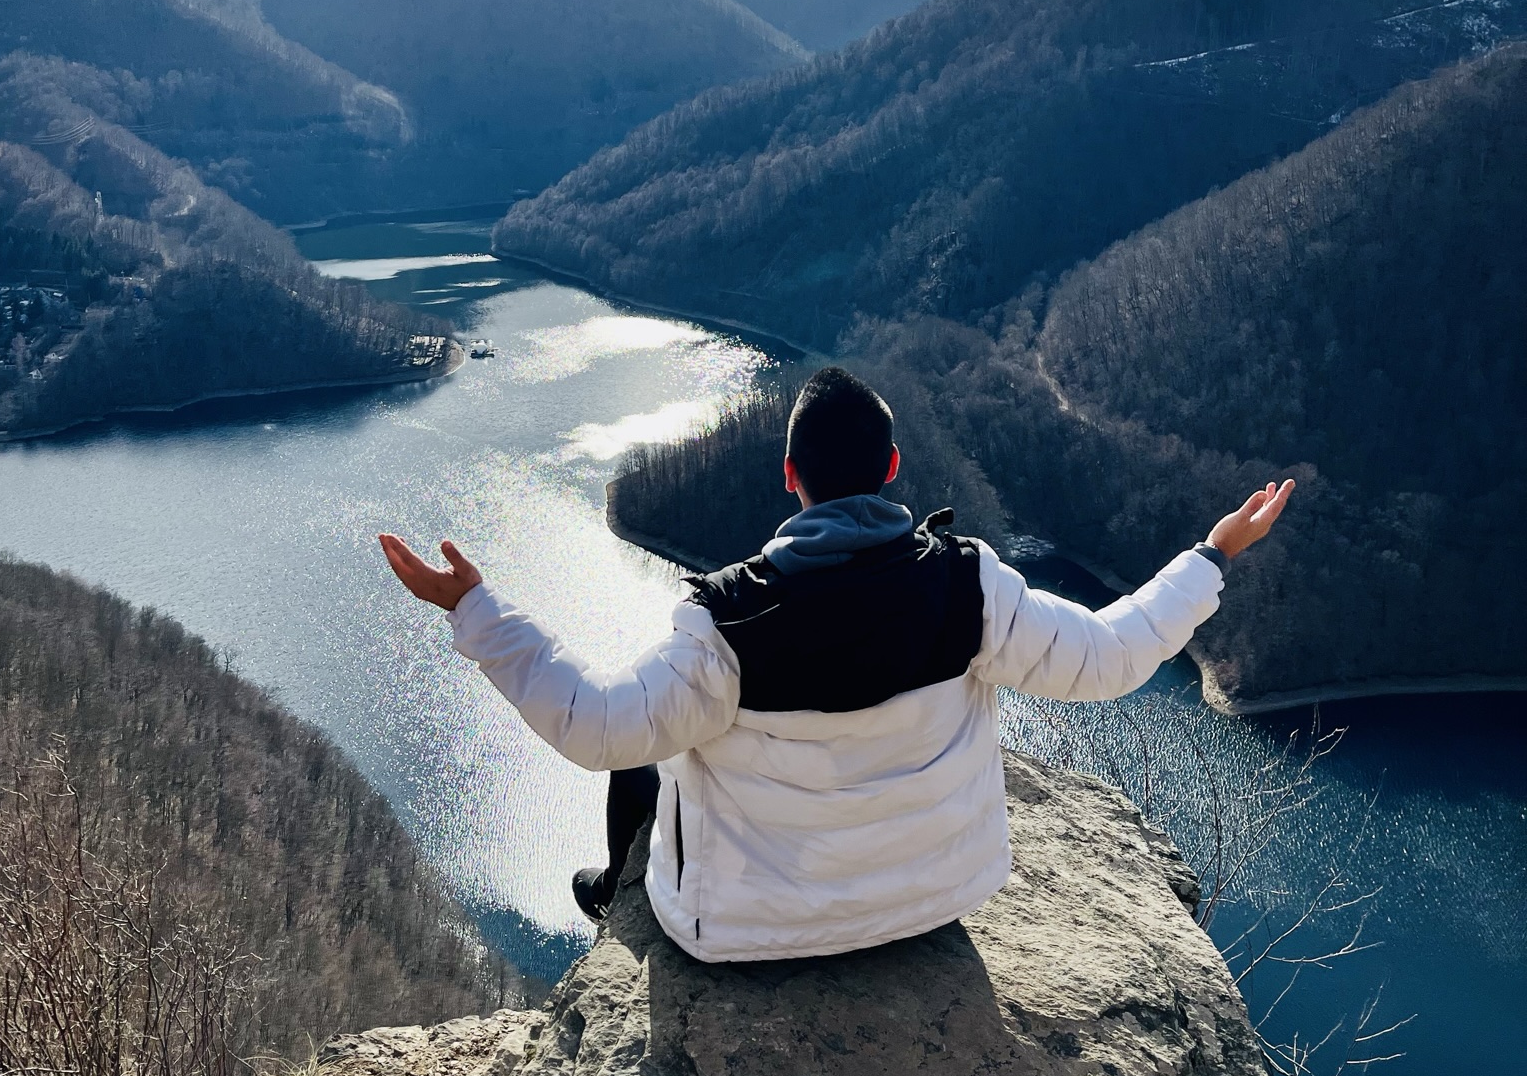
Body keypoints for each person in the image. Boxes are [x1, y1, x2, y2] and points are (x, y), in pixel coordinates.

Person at [380, 366, 1292, 964]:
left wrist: (473, 607)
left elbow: (594, 724)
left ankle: (615, 887)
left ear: (790, 476)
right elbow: (1112, 656)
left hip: (743, 935)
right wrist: (1211, 555)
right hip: (936, 902)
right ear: (892, 467)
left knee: (642, 747)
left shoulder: (729, 620)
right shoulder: (968, 585)